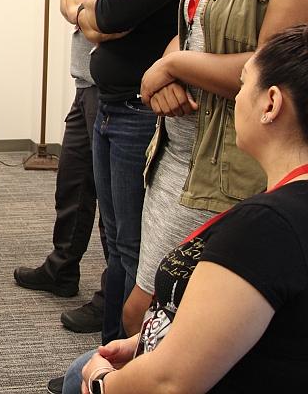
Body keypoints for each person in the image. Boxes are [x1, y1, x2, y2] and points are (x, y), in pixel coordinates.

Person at [125, 0, 308, 333]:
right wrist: (168, 70)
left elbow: (269, 67)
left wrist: (172, 64)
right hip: (186, 146)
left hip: (228, 164)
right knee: (150, 302)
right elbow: (199, 16)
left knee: (156, 313)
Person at [62, 24, 308, 394]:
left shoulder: (264, 227)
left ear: (270, 103)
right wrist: (155, 339)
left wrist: (101, 384)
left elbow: (171, 382)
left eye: (243, 86)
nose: (236, 99)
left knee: (80, 373)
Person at [72, 0, 226, 349]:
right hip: (112, 106)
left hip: (142, 115)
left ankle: (120, 360)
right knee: (114, 242)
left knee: (133, 252)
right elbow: (91, 2)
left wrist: (94, 9)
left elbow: (106, 8)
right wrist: (95, 9)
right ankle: (111, 351)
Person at [14, 0, 150, 335]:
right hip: (83, 86)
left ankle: (108, 298)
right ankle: (62, 268)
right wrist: (83, 4)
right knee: (73, 183)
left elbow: (109, 23)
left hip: (117, 94)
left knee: (114, 207)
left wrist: (88, 8)